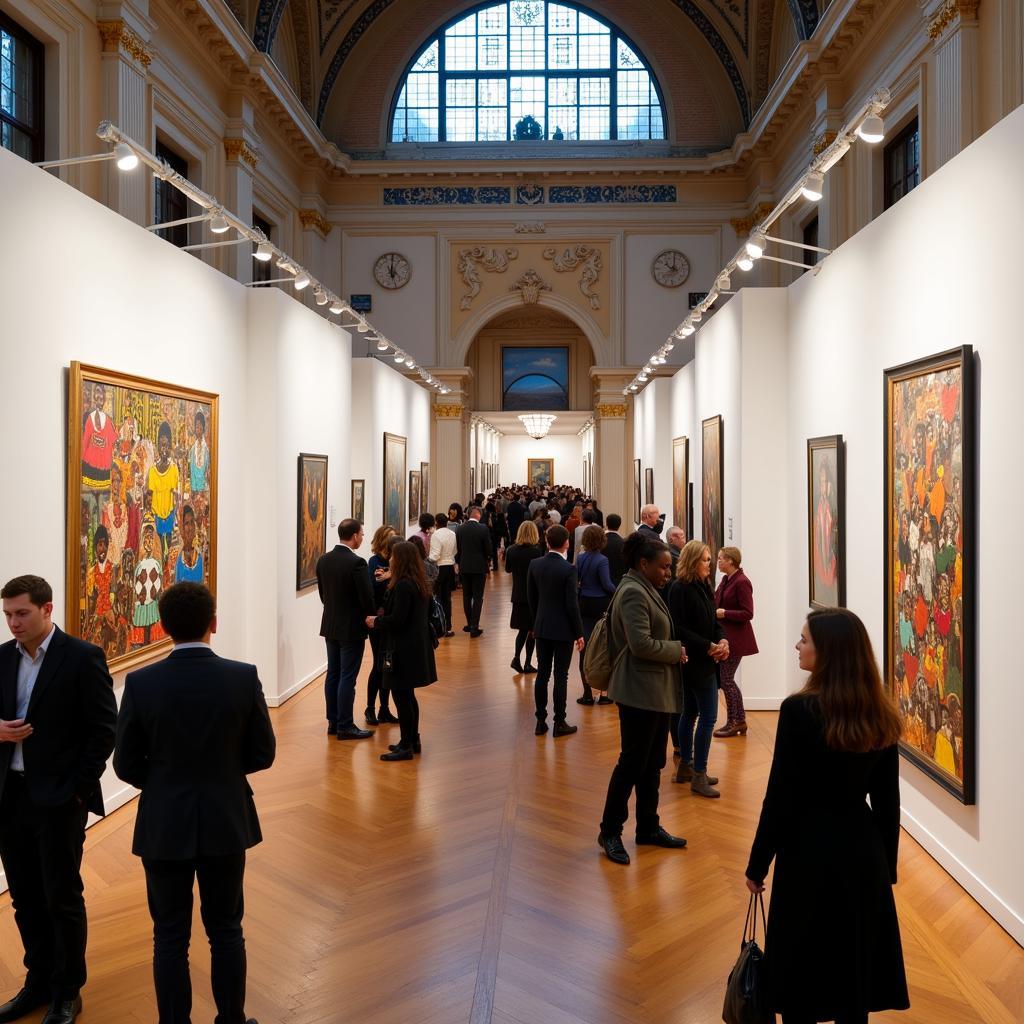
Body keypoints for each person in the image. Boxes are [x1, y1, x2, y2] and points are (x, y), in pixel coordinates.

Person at [113, 582, 275, 1024]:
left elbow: (125, 763)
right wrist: (222, 774)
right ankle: (231, 1020)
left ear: (162, 626)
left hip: (164, 824)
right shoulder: (242, 677)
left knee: (169, 937)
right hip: (225, 819)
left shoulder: (141, 683)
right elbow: (263, 754)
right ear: (214, 623)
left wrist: (164, 783)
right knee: (226, 931)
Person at [745, 608, 908, 1024]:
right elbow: (888, 802)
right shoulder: (881, 713)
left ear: (828, 651)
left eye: (804, 639)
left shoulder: (799, 711)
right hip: (861, 854)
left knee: (802, 971)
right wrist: (885, 868)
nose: (797, 646)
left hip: (807, 853)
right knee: (853, 972)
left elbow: (780, 795)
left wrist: (758, 862)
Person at [0, 574, 117, 1024]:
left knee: (61, 896)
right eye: (8, 614)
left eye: (22, 613)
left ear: (47, 610)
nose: (13, 622)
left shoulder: (82, 657)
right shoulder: (1, 659)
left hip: (59, 799)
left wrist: (77, 791)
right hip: (10, 796)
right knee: (24, 897)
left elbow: (104, 729)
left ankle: (68, 989)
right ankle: (37, 981)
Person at [597, 535, 688, 866]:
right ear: (643, 564)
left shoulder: (644, 587)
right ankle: (610, 831)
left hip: (652, 690)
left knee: (652, 764)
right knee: (632, 763)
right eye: (663, 567)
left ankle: (648, 826)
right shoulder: (634, 592)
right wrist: (675, 650)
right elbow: (641, 644)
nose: (668, 572)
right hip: (638, 690)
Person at [366, 541, 437, 761]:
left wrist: (376, 621)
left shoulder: (404, 586)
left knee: (401, 696)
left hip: (403, 649)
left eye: (394, 557)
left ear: (401, 560)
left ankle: (406, 745)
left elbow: (398, 620)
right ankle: (411, 740)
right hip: (413, 648)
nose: (390, 560)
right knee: (407, 695)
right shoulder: (417, 582)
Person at [669, 541, 729, 797]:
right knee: (707, 718)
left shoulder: (704, 586)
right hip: (693, 661)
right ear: (693, 561)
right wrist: (708, 645)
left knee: (691, 713)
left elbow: (713, 619)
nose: (710, 563)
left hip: (706, 658)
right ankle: (699, 774)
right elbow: (678, 628)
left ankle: (686, 767)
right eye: (705, 559)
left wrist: (722, 639)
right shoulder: (679, 588)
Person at [316, 519, 375, 740]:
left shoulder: (323, 560)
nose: (362, 537)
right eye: (361, 533)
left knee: (333, 673)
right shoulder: (357, 562)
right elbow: (366, 597)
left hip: (330, 624)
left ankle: (333, 721)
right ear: (353, 536)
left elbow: (323, 595)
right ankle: (345, 725)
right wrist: (370, 616)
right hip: (351, 627)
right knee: (347, 676)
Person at [526, 525, 583, 738]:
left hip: (541, 626)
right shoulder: (568, 569)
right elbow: (572, 604)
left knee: (542, 673)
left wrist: (535, 622)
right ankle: (560, 721)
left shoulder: (535, 564)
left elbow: (531, 598)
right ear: (566, 543)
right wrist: (579, 633)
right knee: (561, 676)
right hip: (563, 630)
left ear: (547, 543)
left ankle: (540, 720)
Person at [714, 546, 758, 738]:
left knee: (727, 680)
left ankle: (736, 721)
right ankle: (738, 720)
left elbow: (748, 613)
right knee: (727, 680)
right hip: (726, 637)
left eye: (720, 558)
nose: (718, 561)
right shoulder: (726, 579)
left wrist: (725, 613)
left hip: (736, 639)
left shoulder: (742, 582)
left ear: (731, 560)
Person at [575, 525, 615, 706]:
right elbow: (606, 584)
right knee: (603, 645)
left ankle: (587, 694)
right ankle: (605, 694)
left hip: (584, 602)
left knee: (585, 645)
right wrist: (618, 592)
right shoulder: (602, 560)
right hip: (600, 603)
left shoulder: (581, 557)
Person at [364, 526, 398, 726]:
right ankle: (370, 708)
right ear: (383, 540)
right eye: (391, 538)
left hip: (392, 620)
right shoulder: (374, 561)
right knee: (379, 664)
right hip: (378, 620)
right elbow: (373, 587)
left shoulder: (397, 561)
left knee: (388, 665)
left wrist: (389, 576)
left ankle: (384, 709)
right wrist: (386, 578)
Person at [504, 520, 544, 674]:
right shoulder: (535, 551)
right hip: (533, 594)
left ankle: (516, 658)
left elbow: (507, 569)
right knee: (532, 630)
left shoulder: (511, 550)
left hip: (518, 594)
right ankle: (527, 662)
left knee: (522, 630)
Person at [455, 506, 492, 638]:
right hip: (479, 567)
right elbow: (488, 549)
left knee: (466, 596)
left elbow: (458, 549)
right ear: (478, 515)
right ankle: (474, 626)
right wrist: (488, 559)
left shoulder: (460, 528)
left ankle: (469, 623)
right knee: (477, 597)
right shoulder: (483, 529)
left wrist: (458, 563)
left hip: (464, 566)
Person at [429, 513, 457, 638]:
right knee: (447, 598)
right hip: (450, 567)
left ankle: (438, 626)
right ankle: (448, 627)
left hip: (439, 568)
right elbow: (455, 551)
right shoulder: (452, 534)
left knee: (437, 598)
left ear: (436, 523)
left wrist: (426, 561)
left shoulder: (436, 535)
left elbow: (435, 555)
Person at [604, 514, 626, 584]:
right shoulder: (623, 543)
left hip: (600, 580)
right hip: (617, 581)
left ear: (606, 524)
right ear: (619, 525)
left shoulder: (600, 541)